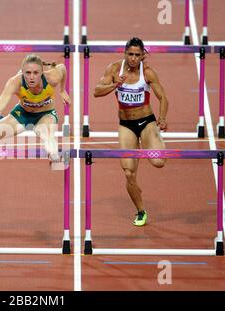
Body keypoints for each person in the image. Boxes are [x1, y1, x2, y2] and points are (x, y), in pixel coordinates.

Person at [93, 37, 169, 226]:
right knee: (128, 173)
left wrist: (162, 118)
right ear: (124, 53)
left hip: (146, 122)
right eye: (130, 54)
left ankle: (147, 142)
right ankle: (141, 211)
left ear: (143, 55)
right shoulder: (114, 69)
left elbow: (163, 98)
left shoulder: (148, 73)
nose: (133, 58)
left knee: (159, 161)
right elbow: (96, 91)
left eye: (137, 55)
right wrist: (114, 85)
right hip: (126, 125)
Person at [0, 54, 70, 167]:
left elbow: (62, 68)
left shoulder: (51, 78)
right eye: (28, 73)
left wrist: (62, 90)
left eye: (36, 73)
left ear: (42, 72)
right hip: (22, 115)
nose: (32, 77)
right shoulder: (14, 82)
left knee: (54, 154)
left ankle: (53, 154)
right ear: (22, 72)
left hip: (45, 116)